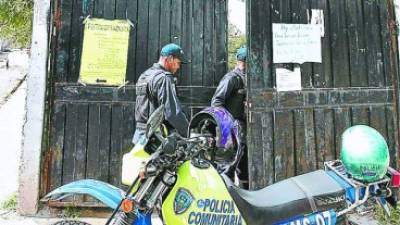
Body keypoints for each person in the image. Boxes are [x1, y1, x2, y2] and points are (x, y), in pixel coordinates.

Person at [132, 43, 189, 144]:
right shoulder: (164, 78)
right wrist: (189, 134)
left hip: (140, 136)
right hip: (155, 139)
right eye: (178, 62)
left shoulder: (144, 75)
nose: (178, 67)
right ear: (170, 58)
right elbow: (173, 113)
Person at [211, 47, 248, 189]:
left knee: (244, 168)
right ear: (242, 62)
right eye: (245, 63)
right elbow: (217, 103)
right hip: (230, 130)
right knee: (227, 169)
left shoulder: (248, 78)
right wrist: (227, 129)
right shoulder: (232, 78)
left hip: (243, 130)